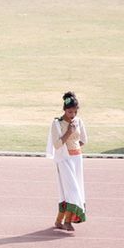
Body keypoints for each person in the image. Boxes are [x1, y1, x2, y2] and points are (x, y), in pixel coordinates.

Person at [46, 91, 88, 231]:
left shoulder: (79, 121)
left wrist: (74, 150)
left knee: (73, 189)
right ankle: (67, 221)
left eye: (75, 112)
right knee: (72, 189)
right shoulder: (57, 124)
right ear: (64, 109)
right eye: (70, 112)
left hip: (76, 159)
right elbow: (57, 145)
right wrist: (68, 133)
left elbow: (84, 140)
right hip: (64, 160)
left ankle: (59, 220)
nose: (72, 115)